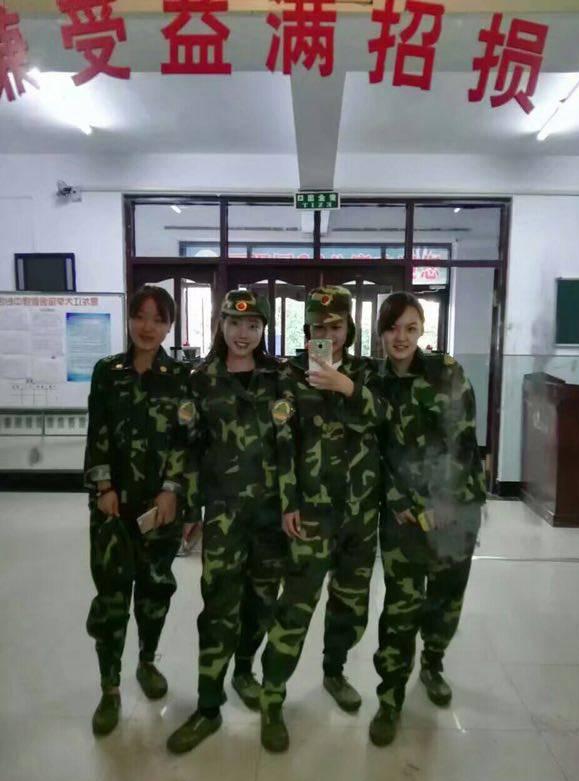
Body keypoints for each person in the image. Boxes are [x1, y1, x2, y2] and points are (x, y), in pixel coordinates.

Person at [259, 285, 389, 753]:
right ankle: (272, 697)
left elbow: (386, 420)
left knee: (350, 605)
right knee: (295, 607)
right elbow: (282, 441)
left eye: (335, 327)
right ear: (306, 329)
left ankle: (334, 672)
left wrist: (347, 387)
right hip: (312, 513)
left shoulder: (367, 373)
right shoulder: (290, 376)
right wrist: (288, 501)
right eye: (318, 327)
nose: (327, 335)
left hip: (360, 513)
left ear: (349, 328)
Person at [167, 290, 288, 754]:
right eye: (235, 324)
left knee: (262, 603)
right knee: (218, 608)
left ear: (263, 330)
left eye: (253, 325)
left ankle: (244, 670)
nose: (243, 333)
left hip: (270, 517)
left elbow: (291, 445)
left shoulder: (279, 378)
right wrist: (189, 510)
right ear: (220, 325)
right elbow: (188, 447)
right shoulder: (201, 381)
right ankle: (208, 706)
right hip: (223, 516)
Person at [369, 291, 487, 747]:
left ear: (422, 330)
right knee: (401, 605)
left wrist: (443, 500)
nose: (401, 337)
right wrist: (400, 499)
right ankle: (389, 696)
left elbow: (462, 441)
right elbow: (374, 450)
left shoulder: (446, 372)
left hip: (454, 508)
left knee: (445, 597)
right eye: (392, 328)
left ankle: (433, 662)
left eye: (410, 328)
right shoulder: (373, 381)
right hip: (402, 515)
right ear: (380, 332)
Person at [84, 284, 192, 736]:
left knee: (154, 592)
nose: (148, 327)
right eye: (140, 316)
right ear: (129, 319)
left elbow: (185, 439)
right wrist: (103, 485)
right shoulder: (107, 372)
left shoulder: (180, 377)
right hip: (112, 507)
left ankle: (147, 662)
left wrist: (171, 490)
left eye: (158, 319)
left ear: (169, 326)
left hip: (158, 510)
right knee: (111, 600)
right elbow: (97, 431)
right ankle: (109, 688)